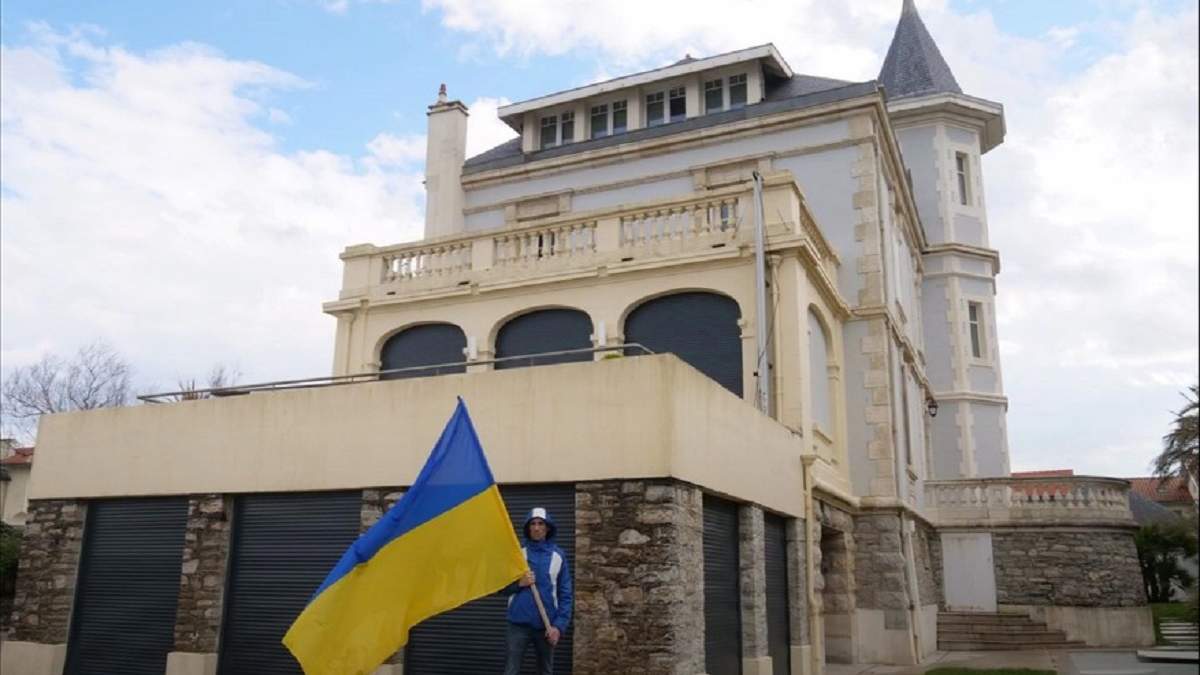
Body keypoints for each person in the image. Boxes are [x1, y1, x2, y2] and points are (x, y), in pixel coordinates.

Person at [501, 507, 573, 675]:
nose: (536, 528)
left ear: (547, 527)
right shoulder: (518, 555)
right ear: (528, 528)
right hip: (517, 625)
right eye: (532, 524)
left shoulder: (558, 556)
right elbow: (502, 588)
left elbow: (566, 595)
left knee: (545, 671)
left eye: (541, 524)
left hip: (546, 626)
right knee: (511, 670)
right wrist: (520, 584)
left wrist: (558, 627)